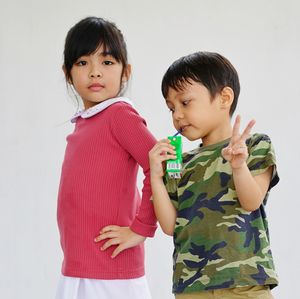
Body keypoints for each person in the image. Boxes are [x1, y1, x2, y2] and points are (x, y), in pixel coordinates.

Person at [149, 51, 279, 299]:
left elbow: (251, 202)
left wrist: (239, 166)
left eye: (185, 102)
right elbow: (169, 226)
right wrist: (156, 176)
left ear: (224, 98)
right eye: (171, 107)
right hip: (191, 286)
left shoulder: (255, 145)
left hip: (245, 282)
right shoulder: (180, 161)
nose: (177, 115)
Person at [56, 16, 157, 299]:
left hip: (112, 272)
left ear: (126, 71)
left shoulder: (119, 115)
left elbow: (159, 166)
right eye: (83, 63)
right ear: (68, 72)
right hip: (78, 267)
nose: (95, 72)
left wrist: (142, 228)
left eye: (107, 62)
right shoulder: (85, 122)